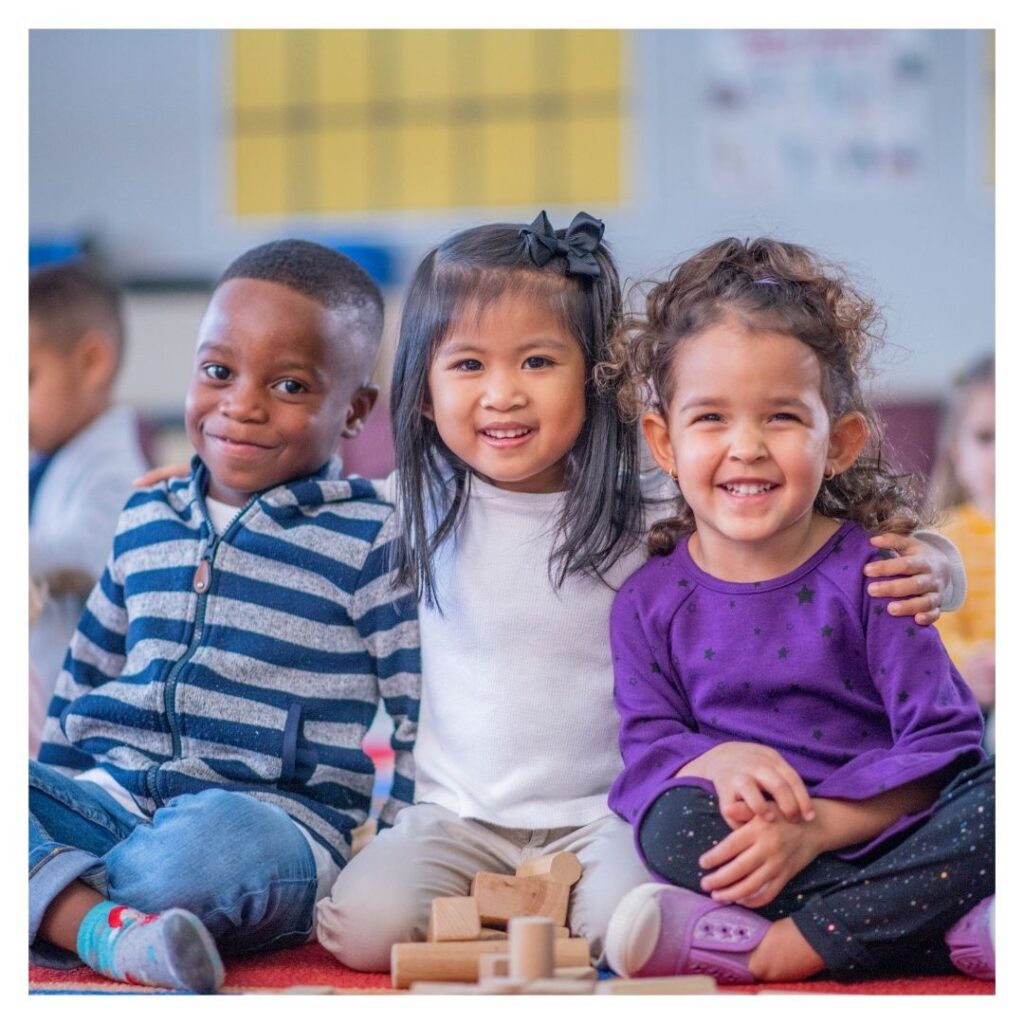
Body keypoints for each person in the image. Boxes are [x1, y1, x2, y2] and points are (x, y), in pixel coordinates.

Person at [313, 214, 966, 971]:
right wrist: (212, 491)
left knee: (631, 928)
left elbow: (807, 521)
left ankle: (569, 921)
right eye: (467, 367)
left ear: (596, 379)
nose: (502, 395)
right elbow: (308, 509)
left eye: (535, 362)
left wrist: (935, 563)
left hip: (612, 812)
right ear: (422, 391)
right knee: (363, 932)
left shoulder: (654, 498)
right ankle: (510, 913)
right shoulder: (416, 504)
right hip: (455, 815)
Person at [600, 237, 994, 984]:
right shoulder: (647, 602)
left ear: (839, 442)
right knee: (670, 825)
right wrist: (713, 759)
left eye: (781, 417)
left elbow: (945, 747)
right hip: (758, 845)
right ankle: (934, 926)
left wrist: (819, 829)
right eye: (710, 419)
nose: (746, 447)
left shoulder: (881, 574)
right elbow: (647, 752)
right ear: (664, 442)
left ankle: (796, 940)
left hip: (890, 828)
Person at [30, 240, 419, 992]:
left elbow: (417, 708)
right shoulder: (146, 511)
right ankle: (105, 929)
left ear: (355, 411)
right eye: (218, 372)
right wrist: (59, 790)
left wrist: (397, 841)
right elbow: (90, 666)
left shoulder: (370, 536)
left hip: (269, 821)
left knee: (199, 856)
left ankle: (55, 899)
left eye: (289, 385)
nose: (241, 404)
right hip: (113, 796)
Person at [29, 262, 150, 715]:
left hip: (75, 727)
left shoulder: (115, 469)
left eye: (26, 380)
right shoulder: (52, 455)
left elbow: (84, 556)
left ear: (92, 363)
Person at [930, 355, 995, 752]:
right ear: (957, 452)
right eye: (987, 437)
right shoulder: (941, 541)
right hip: (975, 706)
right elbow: (933, 626)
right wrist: (966, 666)